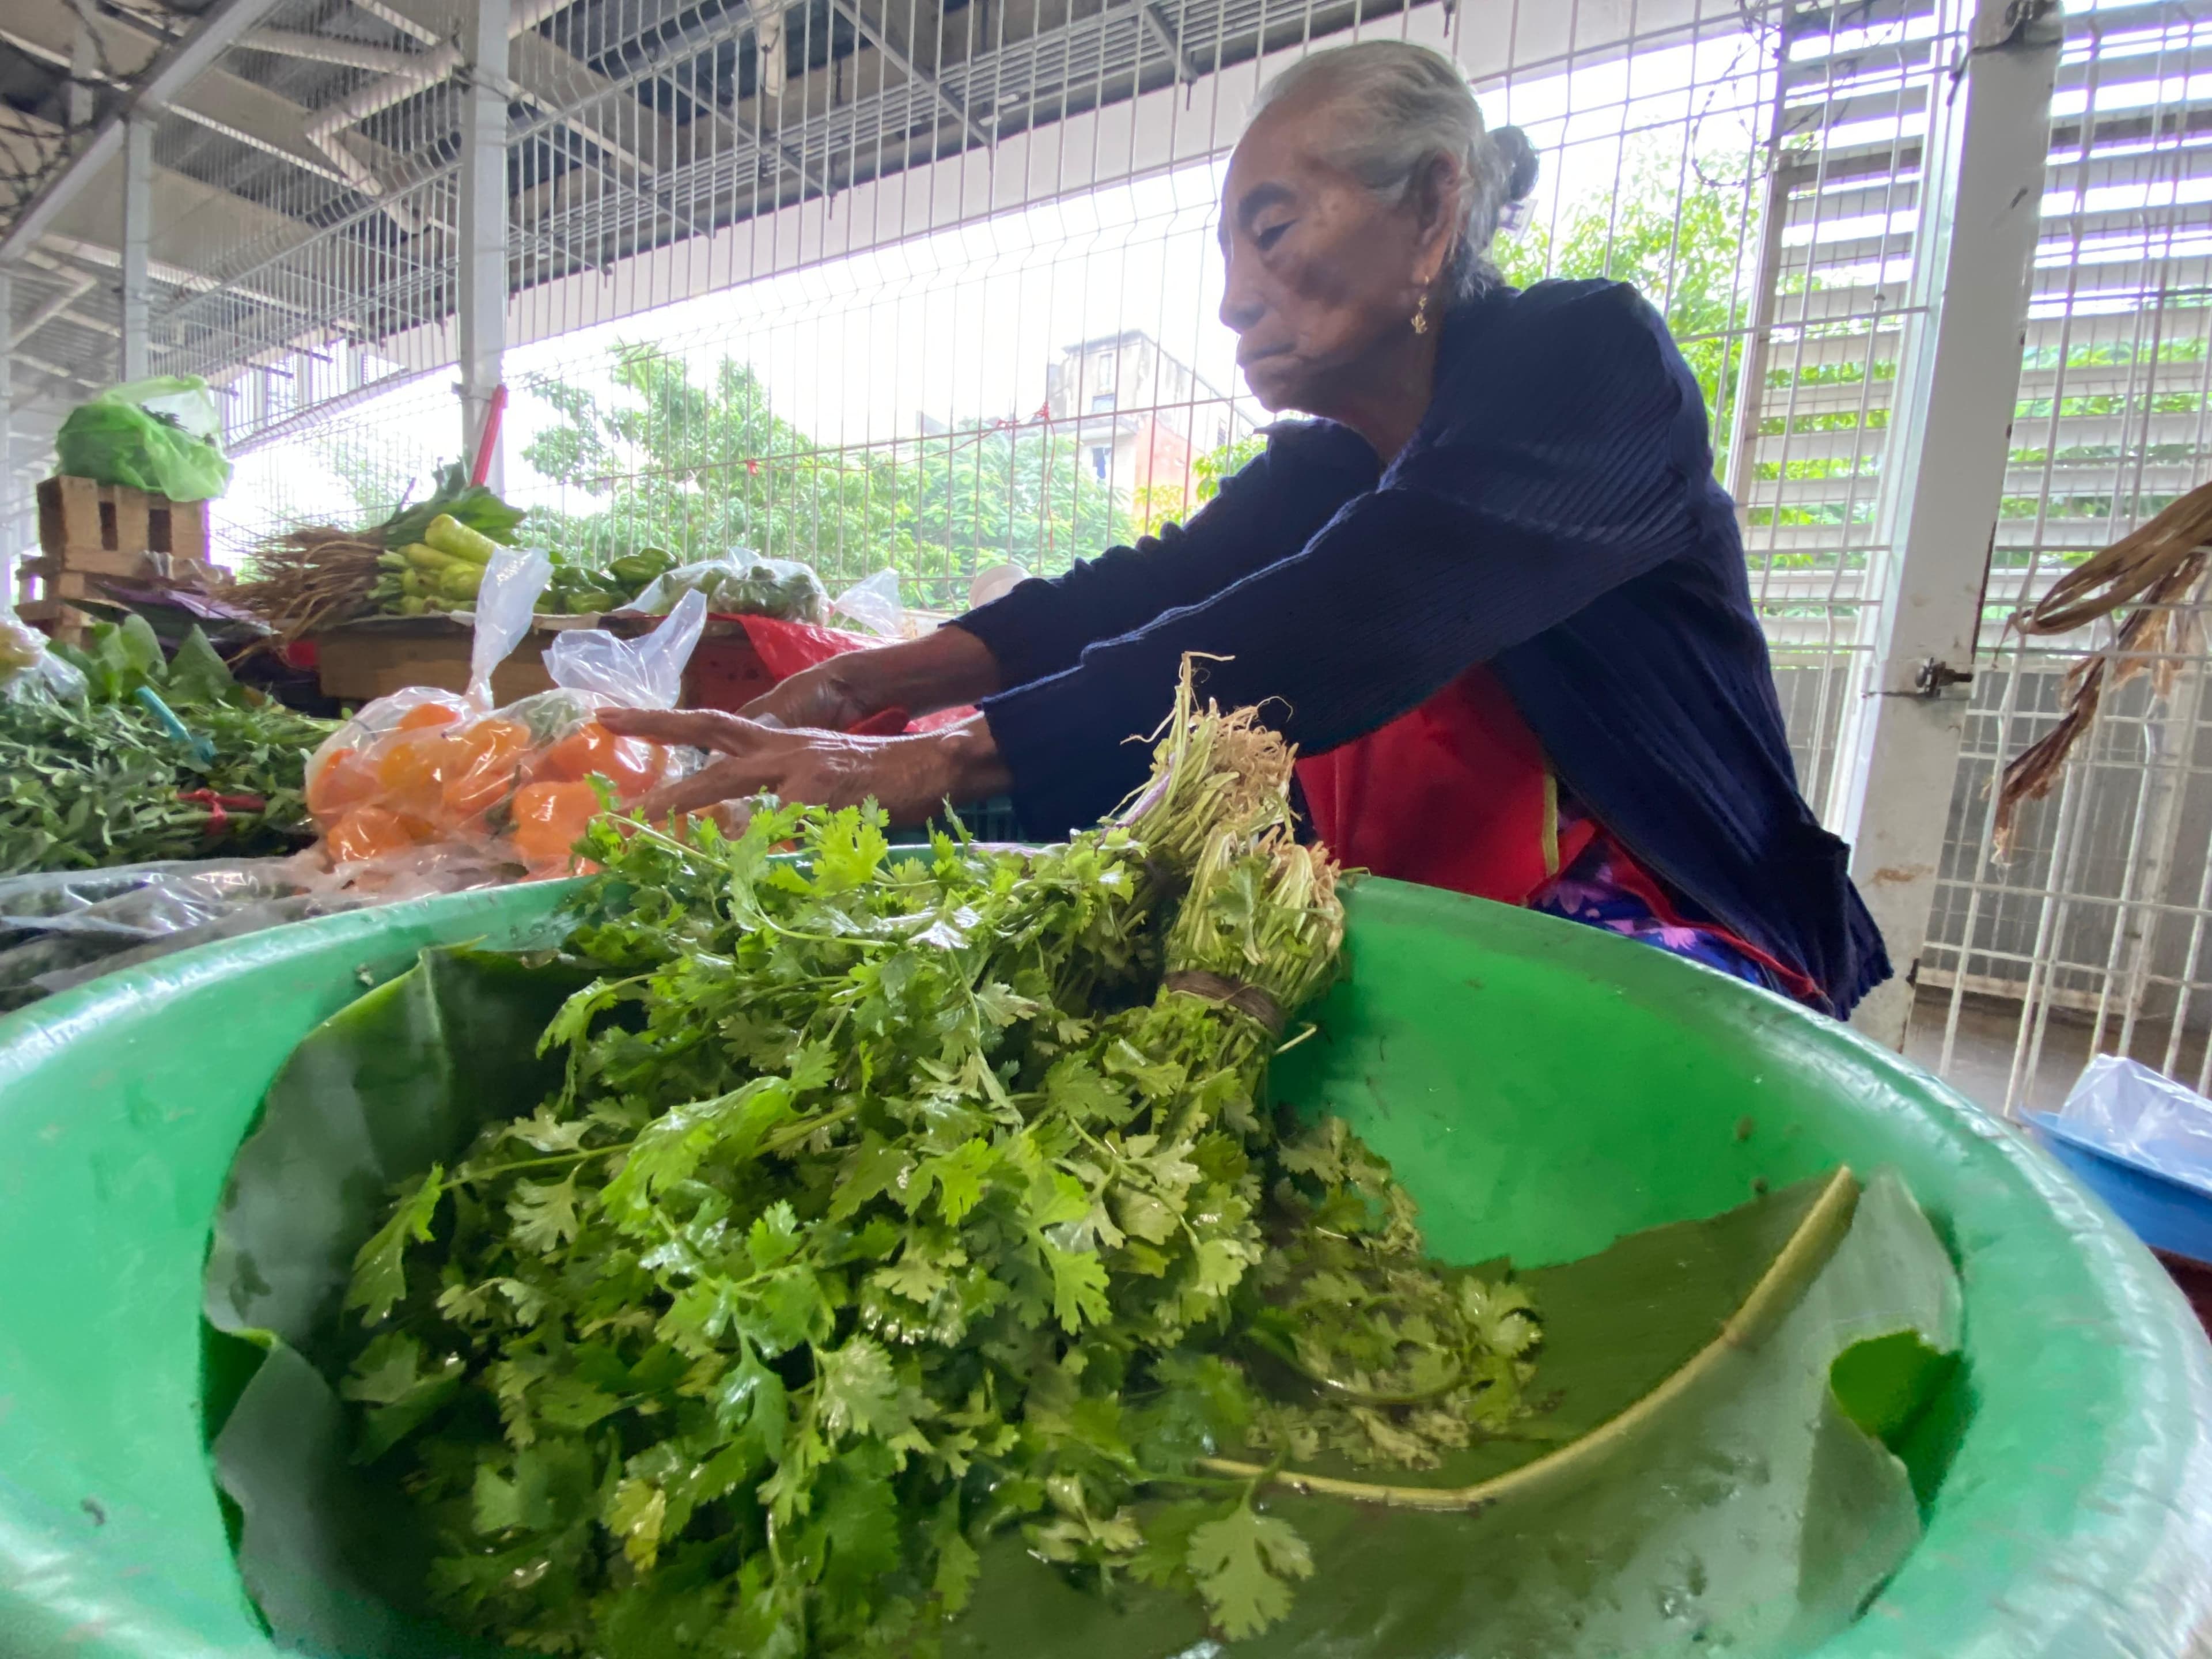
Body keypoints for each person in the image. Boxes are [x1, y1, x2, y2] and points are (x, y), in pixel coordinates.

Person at [604, 39, 1891, 1018]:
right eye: (1228, 255)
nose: (1234, 303)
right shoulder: (1336, 460)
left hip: (1670, 904)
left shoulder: (1586, 365)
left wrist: (936, 763)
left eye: (1273, 234)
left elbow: (1359, 614)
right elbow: (1132, 598)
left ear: (1434, 210)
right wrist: (853, 689)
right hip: (1433, 898)